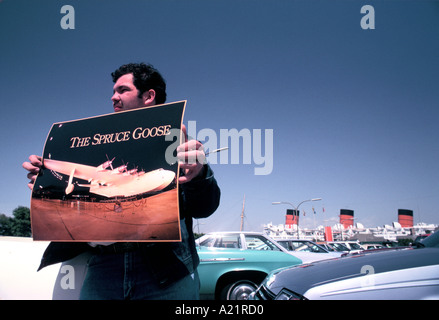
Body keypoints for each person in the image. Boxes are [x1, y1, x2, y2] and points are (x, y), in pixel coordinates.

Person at [22, 63, 221, 300]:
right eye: (114, 91)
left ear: (149, 96)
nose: (113, 96)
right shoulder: (88, 142)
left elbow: (205, 207)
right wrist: (47, 180)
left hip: (166, 270)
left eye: (122, 90)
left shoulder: (182, 148)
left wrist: (198, 175)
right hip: (103, 267)